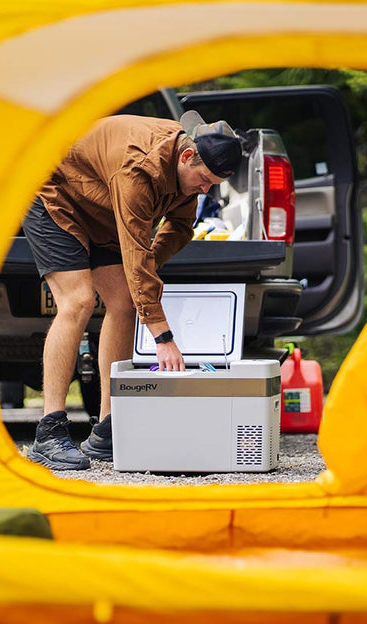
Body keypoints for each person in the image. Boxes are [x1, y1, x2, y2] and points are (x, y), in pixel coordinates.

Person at [22, 111, 244, 470]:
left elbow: (181, 227)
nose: (205, 190)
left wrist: (150, 264)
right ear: (187, 157)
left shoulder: (187, 167)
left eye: (212, 185)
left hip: (102, 205)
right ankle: (50, 430)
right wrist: (163, 335)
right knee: (77, 301)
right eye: (203, 180)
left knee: (124, 301)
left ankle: (108, 428)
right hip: (56, 194)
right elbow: (134, 251)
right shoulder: (139, 167)